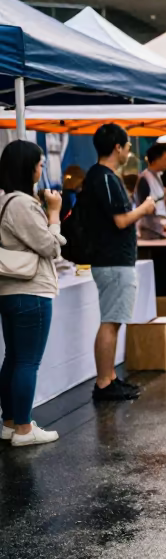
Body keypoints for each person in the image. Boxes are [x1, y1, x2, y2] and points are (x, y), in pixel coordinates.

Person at [82, 123, 156, 400]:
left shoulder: (101, 177)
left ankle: (110, 378)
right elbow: (121, 220)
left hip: (112, 260)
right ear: (117, 147)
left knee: (113, 320)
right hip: (113, 261)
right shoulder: (104, 177)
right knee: (111, 321)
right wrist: (145, 209)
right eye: (127, 146)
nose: (128, 152)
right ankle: (104, 382)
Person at [0, 141, 65, 445]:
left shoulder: (3, 201)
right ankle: (24, 429)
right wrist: (54, 214)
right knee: (27, 361)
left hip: (9, 288)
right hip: (31, 289)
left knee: (13, 358)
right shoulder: (23, 204)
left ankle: (11, 421)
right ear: (28, 167)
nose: (42, 168)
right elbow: (50, 247)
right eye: (39, 163)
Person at [134, 144, 166, 241]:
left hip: (159, 227)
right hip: (149, 230)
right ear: (155, 160)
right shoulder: (145, 178)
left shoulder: (157, 176)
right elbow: (144, 205)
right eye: (165, 159)